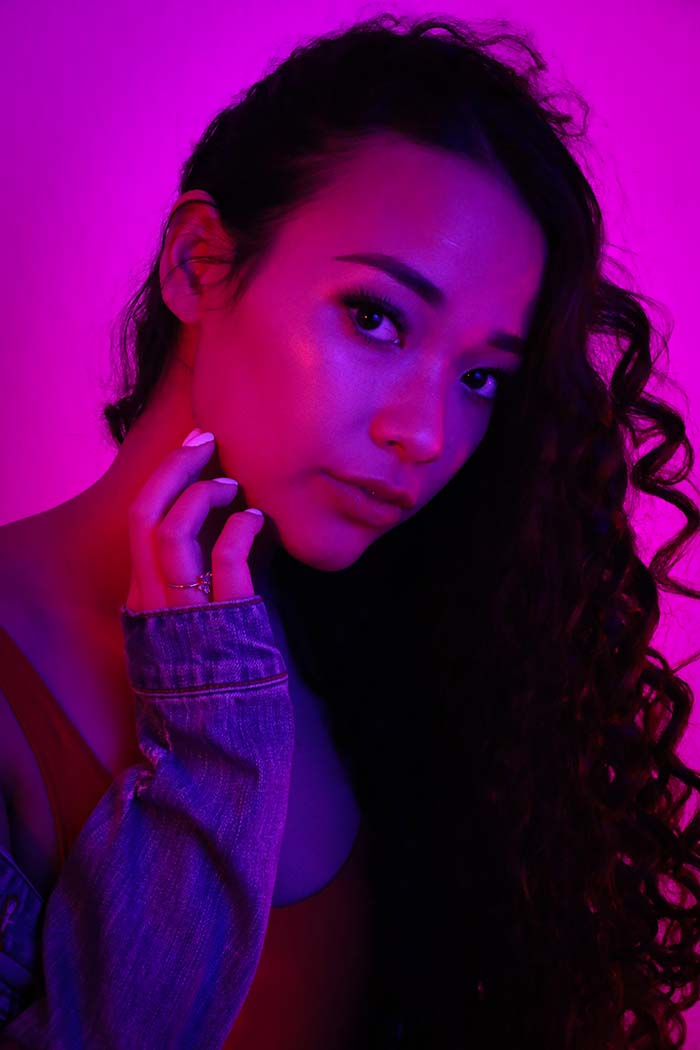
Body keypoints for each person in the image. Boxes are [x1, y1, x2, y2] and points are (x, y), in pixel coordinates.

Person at [1, 11, 700, 1048]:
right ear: (199, 263)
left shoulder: (382, 646)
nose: (426, 433)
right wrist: (211, 721)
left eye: (481, 378)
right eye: (376, 318)